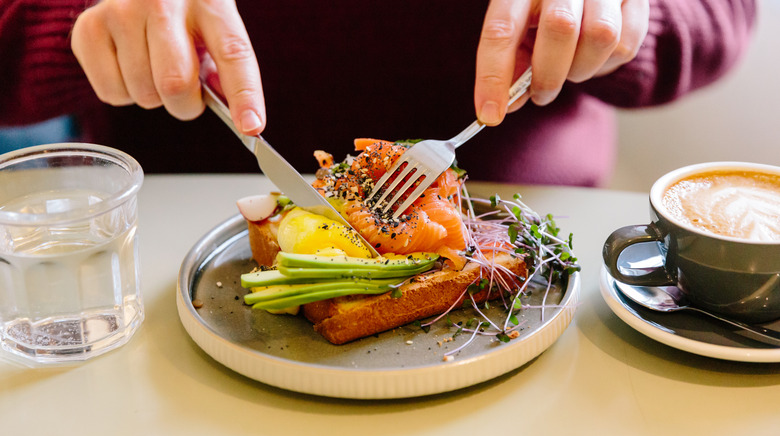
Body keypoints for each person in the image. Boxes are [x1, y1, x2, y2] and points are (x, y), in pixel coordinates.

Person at [0, 1, 756, 186]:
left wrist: (623, 21)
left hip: (543, 271)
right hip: (174, 264)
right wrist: (81, 23)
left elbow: (724, 16)